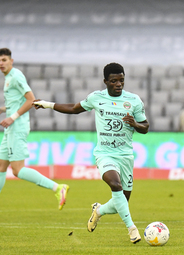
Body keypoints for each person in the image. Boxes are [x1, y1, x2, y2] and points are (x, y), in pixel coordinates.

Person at [33, 62, 149, 244]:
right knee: (115, 184)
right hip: (105, 153)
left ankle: (99, 211)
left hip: (126, 156)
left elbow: (145, 127)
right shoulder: (96, 98)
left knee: (122, 202)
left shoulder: (134, 100)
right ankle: (131, 228)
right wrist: (48, 104)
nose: (118, 84)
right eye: (114, 81)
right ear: (105, 81)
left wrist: (135, 124)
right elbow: (73, 109)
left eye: (121, 80)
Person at [0, 48, 69, 210]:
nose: (1, 63)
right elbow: (16, 102)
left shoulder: (15, 76)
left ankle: (58, 187)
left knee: (17, 170)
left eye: (4, 60)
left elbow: (31, 100)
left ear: (11, 61)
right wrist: (4, 110)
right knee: (1, 166)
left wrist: (12, 117)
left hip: (17, 127)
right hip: (11, 128)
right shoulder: (9, 77)